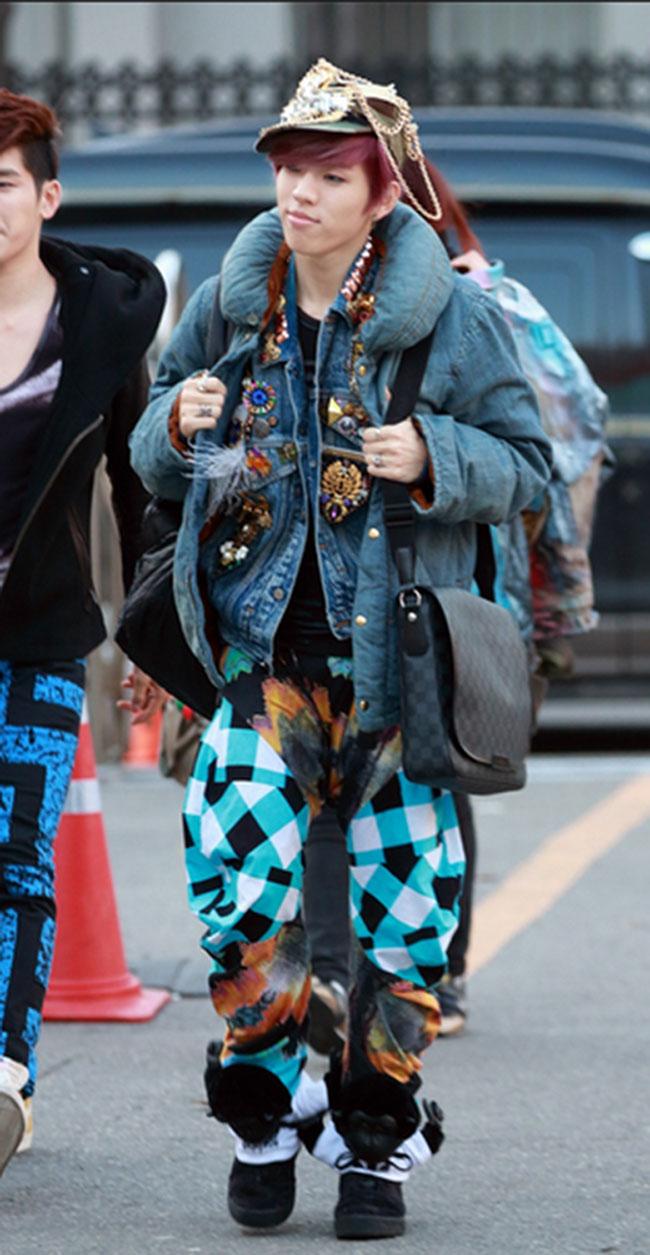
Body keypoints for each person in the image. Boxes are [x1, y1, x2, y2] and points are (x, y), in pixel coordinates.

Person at [131, 58, 551, 1239]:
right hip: (255, 669)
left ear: (380, 193)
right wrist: (175, 425)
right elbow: (154, 454)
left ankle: (375, 1143)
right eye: (286, 171)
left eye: (326, 175)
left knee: (403, 919)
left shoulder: (453, 318)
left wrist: (434, 457)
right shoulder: (230, 309)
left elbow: (526, 466)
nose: (297, 194)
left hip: (397, 675)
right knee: (240, 903)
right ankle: (263, 1123)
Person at [302, 161, 611, 1046]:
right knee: (395, 770)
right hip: (422, 587)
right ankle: (362, 973)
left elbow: (548, 447)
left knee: (434, 762)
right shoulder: (303, 298)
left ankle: (413, 971)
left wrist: (434, 451)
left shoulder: (472, 307)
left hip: (460, 574)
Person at [0, 88, 166, 1178]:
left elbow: (134, 484)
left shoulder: (97, 325)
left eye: (2, 185)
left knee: (16, 855)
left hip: (41, 634)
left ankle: (5, 1075)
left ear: (46, 196)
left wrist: (150, 634)